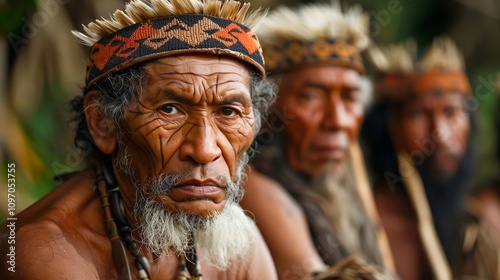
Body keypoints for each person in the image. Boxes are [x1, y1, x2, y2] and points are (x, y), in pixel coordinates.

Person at [0, 0, 278, 279]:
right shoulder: (45, 251)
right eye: (169, 109)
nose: (205, 150)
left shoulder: (232, 239)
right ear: (103, 123)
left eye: (228, 112)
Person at [239, 2, 395, 279]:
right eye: (311, 96)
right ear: (265, 105)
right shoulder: (251, 184)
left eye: (349, 97)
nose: (338, 121)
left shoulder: (344, 184)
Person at [364, 36, 500, 279]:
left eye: (451, 112)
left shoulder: (475, 226)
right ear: (386, 126)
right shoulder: (364, 224)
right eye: (418, 114)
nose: (440, 134)